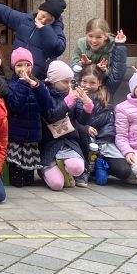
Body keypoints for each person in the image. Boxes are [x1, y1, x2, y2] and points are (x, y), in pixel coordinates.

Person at [73, 31, 129, 184]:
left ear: (100, 83)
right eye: (84, 81)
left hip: (105, 140)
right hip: (85, 140)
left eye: (92, 82)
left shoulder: (107, 90)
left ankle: (101, 164)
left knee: (124, 172)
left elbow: (117, 72)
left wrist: (119, 46)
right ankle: (88, 168)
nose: (87, 85)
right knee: (82, 140)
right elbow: (70, 119)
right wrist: (84, 128)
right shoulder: (74, 93)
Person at [0, 0, 66, 80]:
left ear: (54, 20)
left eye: (49, 20)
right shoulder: (25, 20)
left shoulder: (56, 29)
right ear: (39, 10)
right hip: (17, 74)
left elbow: (58, 49)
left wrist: (45, 29)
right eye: (42, 16)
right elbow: (4, 12)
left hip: (38, 79)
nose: (43, 21)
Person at [4, 48, 50, 187]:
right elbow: (15, 106)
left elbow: (47, 105)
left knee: (29, 180)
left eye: (27, 65)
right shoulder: (11, 84)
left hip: (32, 135)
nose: (23, 68)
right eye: (19, 65)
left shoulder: (38, 84)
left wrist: (37, 87)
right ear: (13, 67)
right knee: (17, 180)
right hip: (16, 135)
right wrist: (23, 83)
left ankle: (28, 174)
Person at [39, 60, 87, 190]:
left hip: (68, 141)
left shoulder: (71, 93)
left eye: (71, 81)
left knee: (77, 168)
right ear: (53, 81)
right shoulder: (44, 94)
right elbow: (51, 116)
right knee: (57, 185)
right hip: (49, 143)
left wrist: (88, 106)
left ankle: (66, 168)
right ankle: (45, 170)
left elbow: (82, 119)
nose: (69, 85)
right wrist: (68, 101)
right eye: (65, 82)